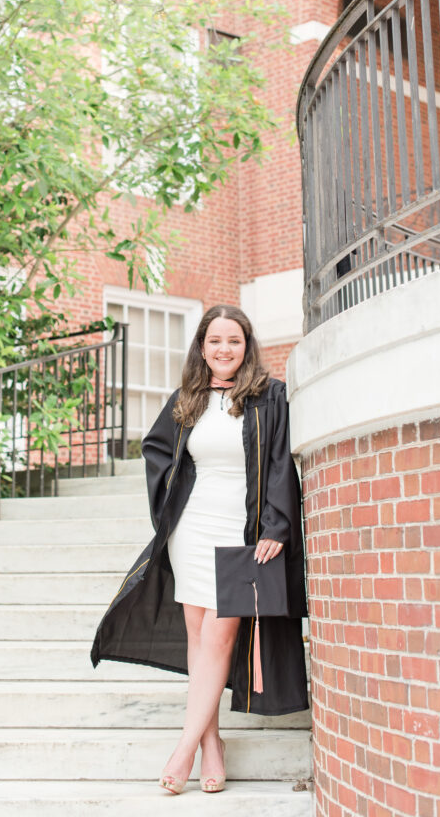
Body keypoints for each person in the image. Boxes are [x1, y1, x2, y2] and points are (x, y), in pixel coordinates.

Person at [91, 304, 308, 794]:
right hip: (192, 528)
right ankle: (213, 745)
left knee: (220, 635)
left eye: (233, 340)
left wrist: (275, 525)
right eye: (215, 341)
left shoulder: (269, 397)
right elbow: (157, 452)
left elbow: (279, 463)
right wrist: (169, 508)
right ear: (202, 347)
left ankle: (185, 746)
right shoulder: (187, 398)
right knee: (197, 635)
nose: (224, 349)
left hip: (243, 528)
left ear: (247, 346)